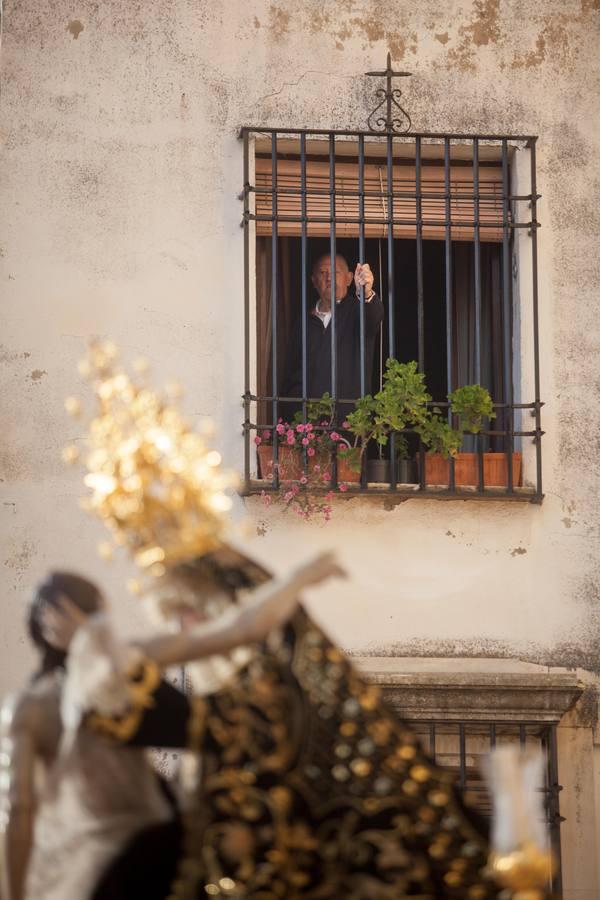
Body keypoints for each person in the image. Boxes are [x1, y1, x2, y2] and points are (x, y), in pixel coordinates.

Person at [0, 555, 343, 900]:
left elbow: (240, 629)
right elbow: (19, 809)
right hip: (125, 856)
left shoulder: (109, 668)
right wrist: (299, 578)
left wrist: (298, 577)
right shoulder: (39, 704)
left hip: (150, 847)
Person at [282, 254, 384, 421]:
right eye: (323, 273)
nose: (329, 278)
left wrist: (365, 293)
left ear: (350, 278)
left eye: (335, 272)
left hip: (346, 422)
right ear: (314, 281)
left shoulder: (357, 312)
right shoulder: (304, 320)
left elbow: (373, 317)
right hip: (304, 425)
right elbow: (290, 370)